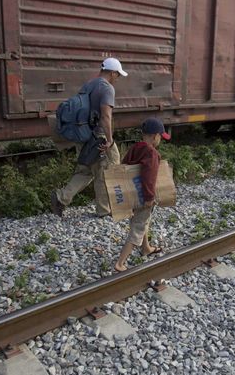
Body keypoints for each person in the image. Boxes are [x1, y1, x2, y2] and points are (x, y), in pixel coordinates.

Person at [51, 58, 127, 218]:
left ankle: (61, 197)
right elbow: (106, 116)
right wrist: (109, 140)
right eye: (118, 75)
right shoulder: (107, 88)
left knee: (85, 171)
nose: (118, 79)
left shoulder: (88, 85)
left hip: (83, 135)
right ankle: (104, 210)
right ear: (112, 73)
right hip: (98, 137)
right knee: (107, 169)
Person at [114, 118, 170, 272]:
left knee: (142, 220)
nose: (160, 140)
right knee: (138, 226)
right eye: (160, 137)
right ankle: (120, 262)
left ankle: (146, 248)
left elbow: (124, 166)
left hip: (131, 193)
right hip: (143, 196)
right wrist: (149, 197)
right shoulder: (152, 153)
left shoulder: (135, 148)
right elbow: (149, 177)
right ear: (154, 136)